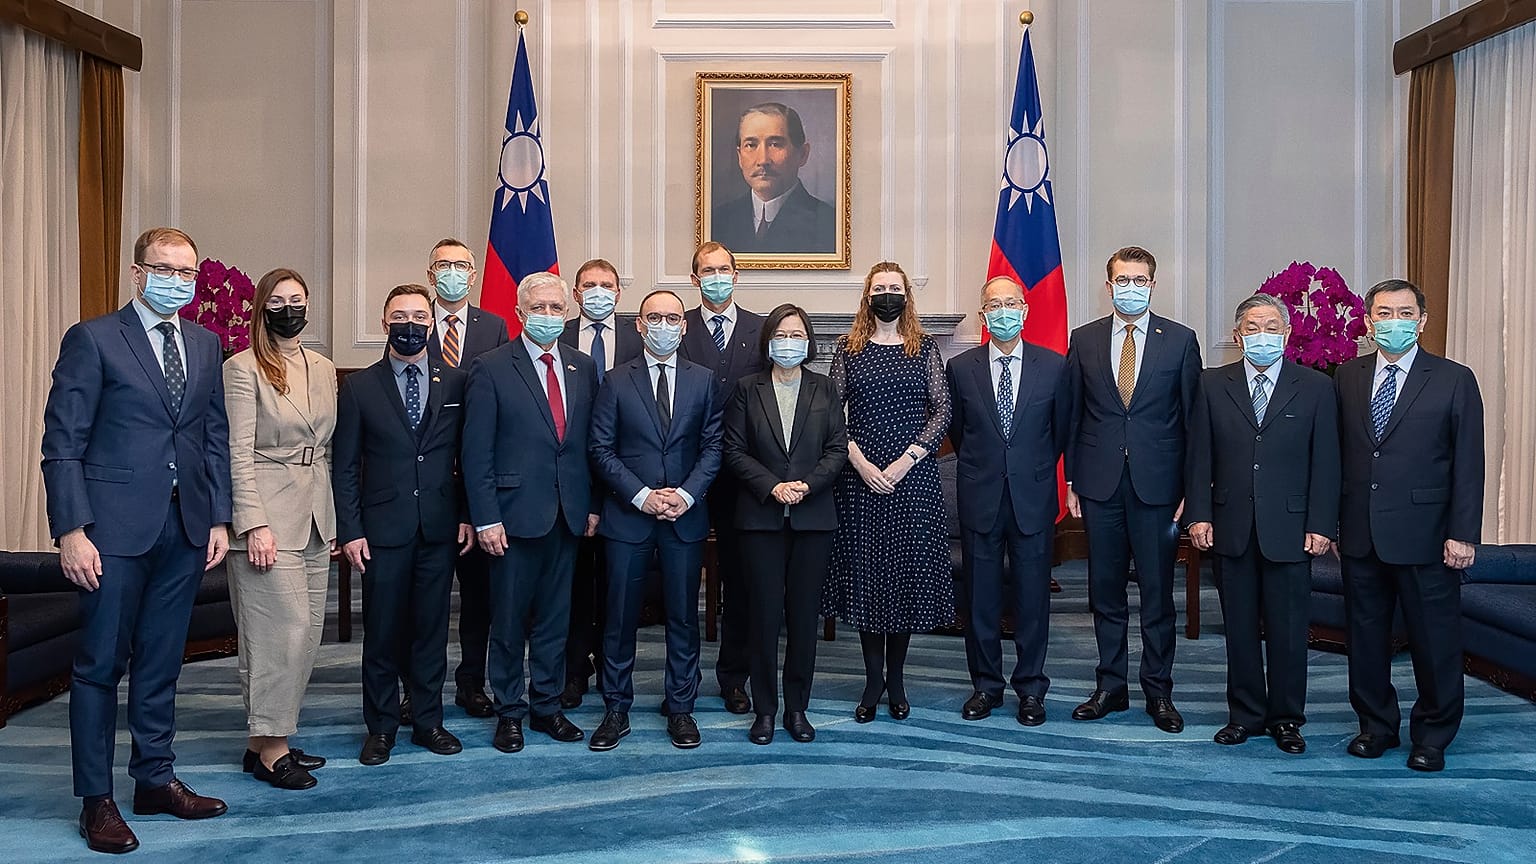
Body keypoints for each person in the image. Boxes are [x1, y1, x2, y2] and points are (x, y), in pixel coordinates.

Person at [42, 227, 232, 854]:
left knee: (161, 662)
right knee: (99, 667)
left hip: (184, 529)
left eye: (187, 271)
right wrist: (71, 530)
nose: (177, 280)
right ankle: (96, 801)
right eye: (165, 268)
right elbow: (62, 443)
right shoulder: (93, 339)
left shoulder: (206, 344)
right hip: (111, 532)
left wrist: (219, 519)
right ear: (136, 272)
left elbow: (211, 437)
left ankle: (154, 779)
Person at [1334, 278, 1484, 772]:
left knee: (1434, 640)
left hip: (1429, 536)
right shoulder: (1347, 376)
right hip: (1360, 534)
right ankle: (1376, 726)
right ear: (1368, 320)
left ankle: (1433, 735)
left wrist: (1463, 533)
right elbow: (1338, 458)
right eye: (1383, 313)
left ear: (1422, 320)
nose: (1392, 322)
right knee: (1366, 639)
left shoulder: (1453, 378)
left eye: (1404, 313)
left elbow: (1468, 463)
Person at [1184, 293, 1340, 755]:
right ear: (1237, 336)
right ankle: (1245, 714)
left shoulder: (1315, 387)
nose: (1262, 335)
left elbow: (1327, 462)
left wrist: (1321, 523)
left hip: (1292, 529)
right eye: (1252, 327)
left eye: (1271, 326)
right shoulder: (1212, 384)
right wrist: (1198, 513)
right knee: (1238, 626)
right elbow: (1199, 457)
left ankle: (1287, 718)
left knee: (1290, 628)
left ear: (1287, 334)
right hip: (1230, 524)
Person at [333, 284, 475, 766]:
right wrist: (350, 529)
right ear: (384, 323)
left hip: (439, 528)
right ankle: (381, 726)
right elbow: (346, 465)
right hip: (381, 531)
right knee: (383, 632)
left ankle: (429, 721)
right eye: (400, 316)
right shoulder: (358, 387)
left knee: (432, 630)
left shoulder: (454, 382)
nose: (410, 324)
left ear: (431, 324)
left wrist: (465, 515)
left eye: (419, 316)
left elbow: (467, 458)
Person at [1064, 246, 1201, 734]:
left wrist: (1190, 490)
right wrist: (1073, 482)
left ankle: (1158, 691)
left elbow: (1193, 423)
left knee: (1158, 594)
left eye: (1140, 280)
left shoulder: (1180, 341)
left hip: (1159, 488)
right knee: (1104, 591)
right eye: (1122, 279)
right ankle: (1110, 685)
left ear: (1153, 285)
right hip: (1100, 486)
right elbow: (1073, 416)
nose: (1130, 287)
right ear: (1108, 285)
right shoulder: (1083, 340)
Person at [462, 272, 598, 754]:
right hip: (511, 517)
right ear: (519, 314)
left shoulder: (583, 367)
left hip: (568, 514)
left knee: (555, 620)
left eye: (555, 308)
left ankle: (546, 705)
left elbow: (588, 447)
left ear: (567, 312)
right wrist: (485, 517)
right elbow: (476, 452)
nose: (547, 316)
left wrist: (592, 506)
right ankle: (510, 712)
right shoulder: (492, 367)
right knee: (509, 620)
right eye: (537, 308)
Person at [589, 289, 724, 751]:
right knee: (619, 618)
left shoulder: (704, 380)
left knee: (684, 618)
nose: (664, 325)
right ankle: (615, 709)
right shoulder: (614, 380)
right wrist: (643, 496)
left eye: (672, 317)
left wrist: (685, 495)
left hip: (685, 517)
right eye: (654, 318)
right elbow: (600, 449)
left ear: (683, 326)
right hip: (628, 519)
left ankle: (681, 708)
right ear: (640, 326)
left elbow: (713, 447)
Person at [823, 261, 953, 723]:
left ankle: (895, 681)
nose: (886, 295)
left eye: (894, 288)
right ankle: (872, 679)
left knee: (903, 582)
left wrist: (904, 461)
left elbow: (942, 412)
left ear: (906, 295)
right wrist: (860, 462)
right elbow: (833, 411)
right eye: (879, 288)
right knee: (866, 581)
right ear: (867, 296)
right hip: (858, 482)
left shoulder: (925, 348)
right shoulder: (848, 347)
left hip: (911, 481)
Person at [223, 268, 337, 789]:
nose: (289, 308)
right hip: (267, 516)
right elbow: (237, 453)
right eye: (279, 300)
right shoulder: (242, 368)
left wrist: (331, 516)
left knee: (308, 634)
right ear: (261, 308)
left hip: (314, 515)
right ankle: (273, 748)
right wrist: (253, 524)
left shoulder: (323, 366)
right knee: (277, 636)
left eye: (298, 299)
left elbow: (325, 447)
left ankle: (262, 739)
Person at [945, 277, 1070, 726]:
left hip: (1032, 497)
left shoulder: (1054, 366)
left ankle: (1032, 689)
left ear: (1026, 310)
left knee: (1033, 598)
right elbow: (958, 434)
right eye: (993, 305)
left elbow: (1060, 433)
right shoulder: (960, 369)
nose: (1003, 311)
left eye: (1010, 303)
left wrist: (1029, 469)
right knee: (981, 599)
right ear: (982, 315)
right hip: (980, 496)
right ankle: (986, 686)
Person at [722, 304, 848, 745]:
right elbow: (734, 450)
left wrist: (806, 487)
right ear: (768, 342)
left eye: (797, 335)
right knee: (762, 616)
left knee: (801, 619)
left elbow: (836, 449)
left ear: (809, 341)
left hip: (813, 519)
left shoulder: (826, 388)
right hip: (760, 518)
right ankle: (765, 711)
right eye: (781, 334)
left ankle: (797, 709)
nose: (789, 342)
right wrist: (773, 487)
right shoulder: (746, 389)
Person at [423, 238, 510, 720]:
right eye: (444, 265)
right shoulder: (412, 321)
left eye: (461, 265)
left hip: (476, 486)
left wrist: (476, 506)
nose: (453, 272)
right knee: (426, 601)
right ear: (430, 272)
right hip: (426, 485)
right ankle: (419, 689)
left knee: (480, 601)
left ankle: (472, 683)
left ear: (474, 275)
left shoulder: (493, 327)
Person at [678, 241, 766, 716]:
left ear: (737, 274)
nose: (716, 276)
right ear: (694, 279)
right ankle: (682, 680)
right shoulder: (675, 326)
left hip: (743, 479)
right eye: (707, 270)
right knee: (682, 580)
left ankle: (734, 678)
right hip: (685, 475)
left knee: (742, 583)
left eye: (724, 269)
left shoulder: (761, 328)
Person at [559, 257, 643, 709]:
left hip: (627, 479)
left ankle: (614, 671)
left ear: (619, 293)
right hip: (572, 476)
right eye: (588, 284)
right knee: (574, 582)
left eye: (606, 285)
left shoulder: (640, 335)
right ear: (575, 293)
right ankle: (575, 671)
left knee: (617, 585)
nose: (597, 291)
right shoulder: (557, 331)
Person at [710, 102, 836, 254]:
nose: (763, 160)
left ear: (802, 154)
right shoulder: (717, 220)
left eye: (775, 144)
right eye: (751, 145)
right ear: (739, 157)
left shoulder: (829, 224)